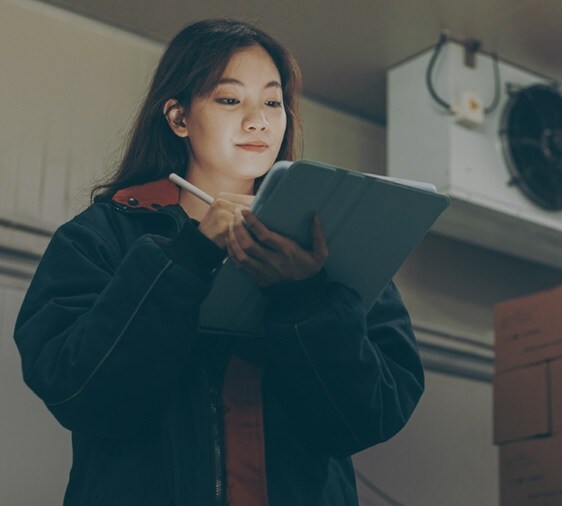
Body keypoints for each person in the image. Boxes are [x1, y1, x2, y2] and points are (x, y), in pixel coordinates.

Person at [13, 19, 424, 506]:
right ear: (178, 117)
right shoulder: (100, 237)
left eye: (273, 102)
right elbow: (77, 391)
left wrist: (305, 299)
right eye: (230, 100)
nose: (259, 121)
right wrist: (187, 258)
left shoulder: (328, 245)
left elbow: (372, 415)